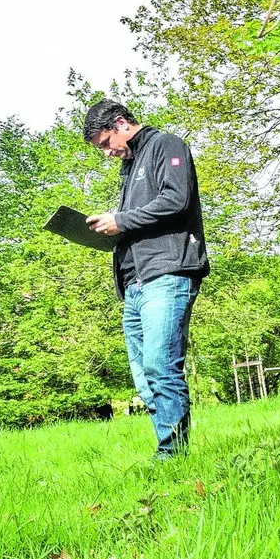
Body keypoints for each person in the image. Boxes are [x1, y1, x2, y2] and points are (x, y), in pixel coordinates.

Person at [82, 99, 210, 458]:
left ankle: (172, 455)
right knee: (144, 376)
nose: (107, 152)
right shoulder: (130, 166)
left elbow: (177, 199)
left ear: (121, 123)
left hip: (167, 273)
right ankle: (169, 449)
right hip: (135, 283)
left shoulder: (166, 145)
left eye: (106, 143)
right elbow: (141, 218)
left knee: (160, 365)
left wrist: (121, 220)